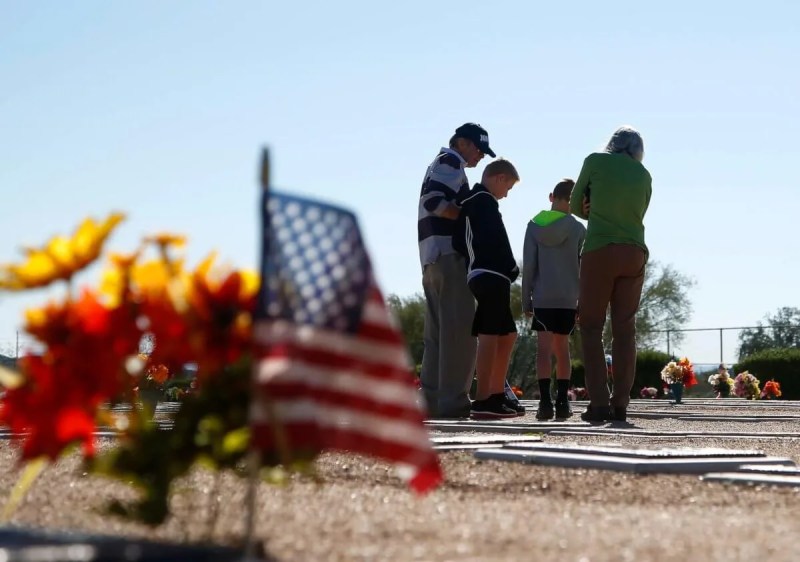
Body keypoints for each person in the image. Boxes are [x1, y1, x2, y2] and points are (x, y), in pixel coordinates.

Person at [569, 126, 652, 423]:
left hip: (600, 249)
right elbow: (636, 213)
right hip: (634, 252)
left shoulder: (595, 161)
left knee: (591, 327)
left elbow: (575, 204)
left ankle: (599, 404)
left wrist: (590, 209)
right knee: (625, 330)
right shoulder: (644, 175)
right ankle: (621, 403)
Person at [417, 123, 496, 419]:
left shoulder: (439, 164)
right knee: (461, 333)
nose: (480, 157)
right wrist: (470, 216)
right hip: (449, 256)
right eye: (478, 149)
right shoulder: (451, 162)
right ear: (461, 143)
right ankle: (453, 403)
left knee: (437, 336)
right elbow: (434, 201)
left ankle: (432, 403)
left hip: (432, 257)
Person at [453, 159, 521, 419]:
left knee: (508, 334)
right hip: (487, 272)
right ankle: (483, 399)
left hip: (495, 274)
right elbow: (471, 239)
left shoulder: (484, 202)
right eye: (509, 187)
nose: (507, 194)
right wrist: (494, 263)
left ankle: (495, 393)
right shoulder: (478, 200)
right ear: (499, 178)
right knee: (490, 333)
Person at [521, 179, 585, 420]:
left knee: (543, 350)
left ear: (551, 197)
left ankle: (545, 403)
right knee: (563, 350)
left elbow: (529, 264)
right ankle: (563, 403)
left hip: (543, 296)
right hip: (569, 296)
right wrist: (583, 299)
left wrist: (526, 298)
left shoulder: (534, 225)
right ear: (574, 201)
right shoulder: (578, 229)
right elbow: (583, 267)